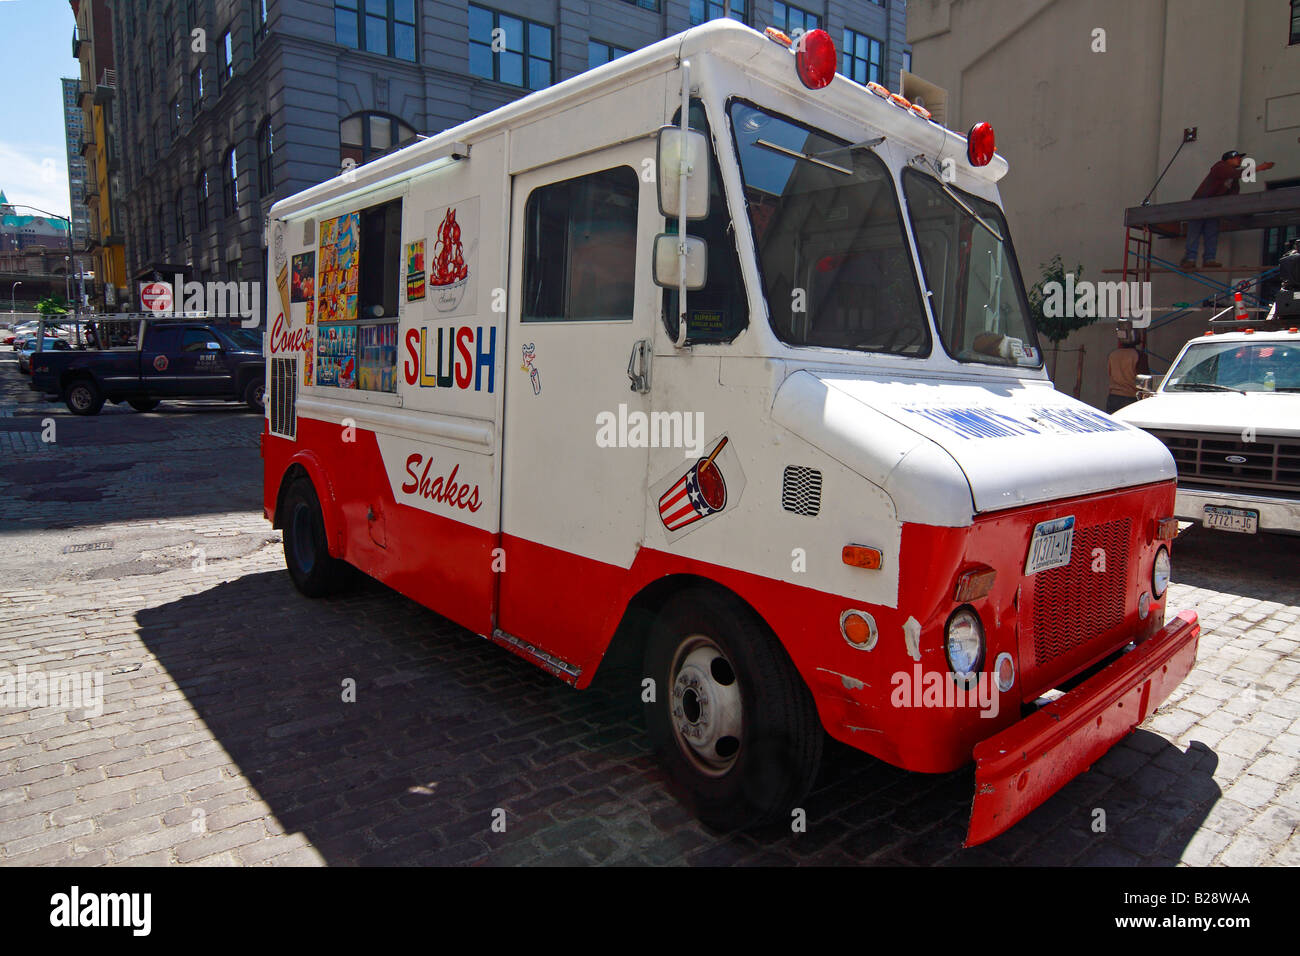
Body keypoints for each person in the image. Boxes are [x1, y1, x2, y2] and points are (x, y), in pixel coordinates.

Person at [1181, 150, 1275, 270]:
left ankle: (1209, 259)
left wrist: (1240, 210)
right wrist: (1259, 168)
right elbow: (1238, 174)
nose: (1240, 160)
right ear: (1228, 159)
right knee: (1195, 232)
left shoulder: (1233, 177)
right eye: (1237, 158)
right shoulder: (1220, 167)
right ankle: (1190, 259)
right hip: (1200, 205)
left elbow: (1233, 196)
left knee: (1212, 232)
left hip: (1214, 208)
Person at [1106, 326, 1148, 413]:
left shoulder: (1113, 355)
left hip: (1113, 397)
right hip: (1131, 398)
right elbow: (1145, 380)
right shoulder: (1139, 355)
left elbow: (1110, 374)